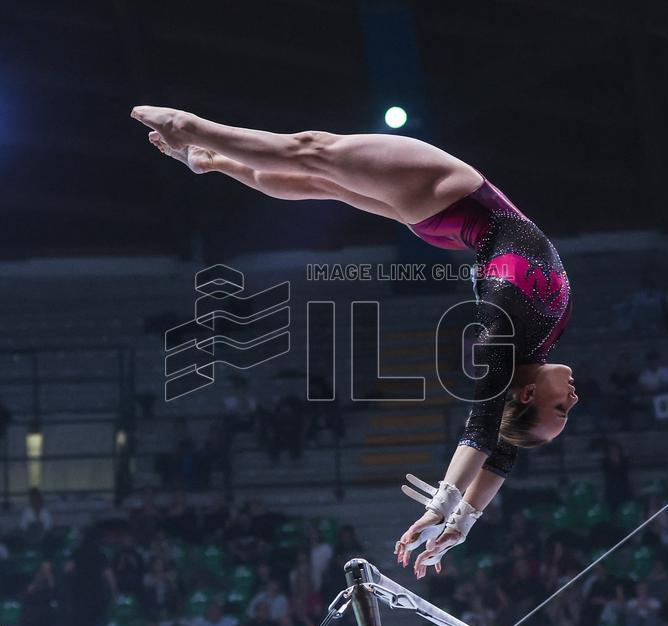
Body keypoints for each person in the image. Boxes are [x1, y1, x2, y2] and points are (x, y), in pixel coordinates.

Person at [131, 106, 576, 577]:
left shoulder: (502, 332)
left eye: (562, 409)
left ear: (528, 394)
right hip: (452, 222)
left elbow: (484, 426)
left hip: (453, 198)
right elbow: (501, 447)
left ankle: (193, 129)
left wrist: (444, 506)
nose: (574, 399)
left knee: (314, 150)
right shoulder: (535, 345)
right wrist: (462, 524)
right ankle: (214, 162)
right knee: (322, 183)